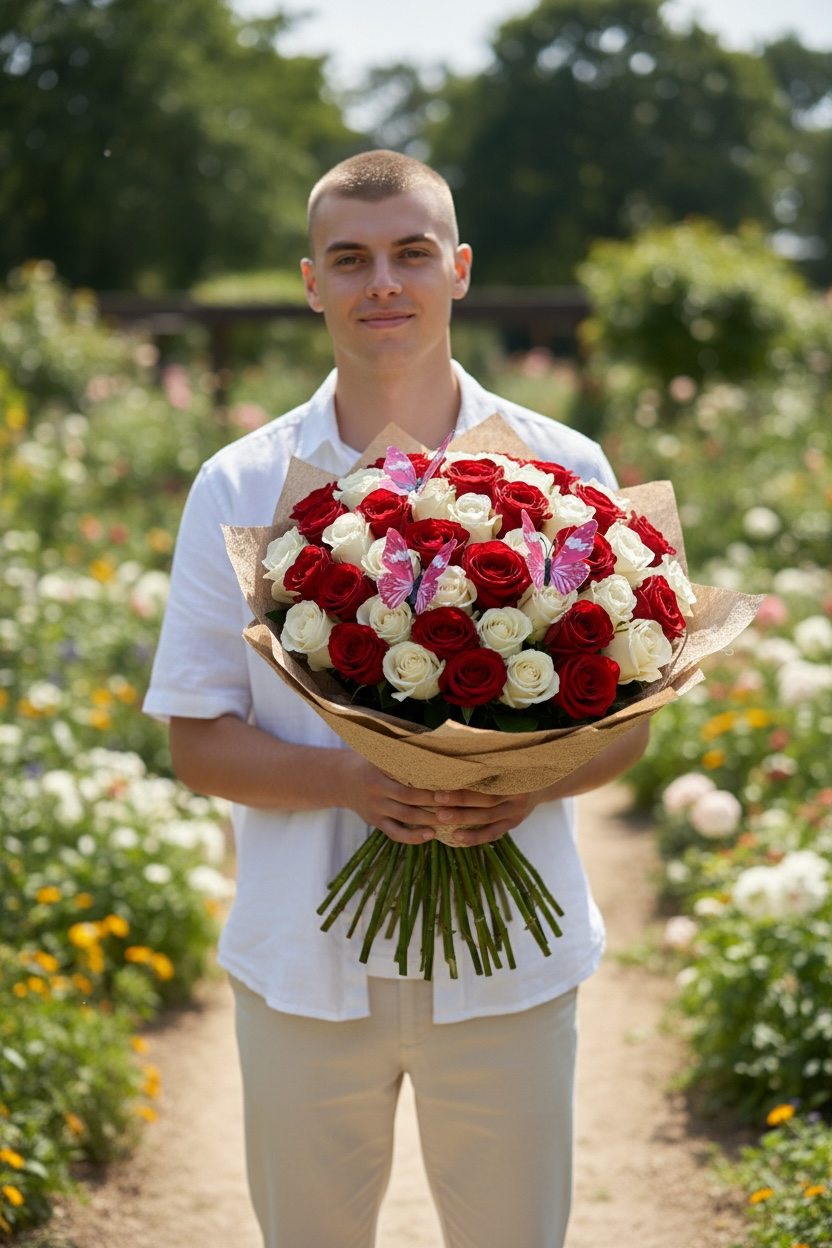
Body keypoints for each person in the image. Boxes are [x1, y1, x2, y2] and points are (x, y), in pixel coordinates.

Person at [144, 149, 649, 1248]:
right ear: (311, 282)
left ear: (458, 269)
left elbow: (630, 726)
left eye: (410, 254)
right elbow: (196, 741)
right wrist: (348, 778)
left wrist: (517, 780)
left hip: (511, 968)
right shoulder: (239, 484)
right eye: (351, 259)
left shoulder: (563, 469)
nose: (384, 282)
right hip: (302, 962)